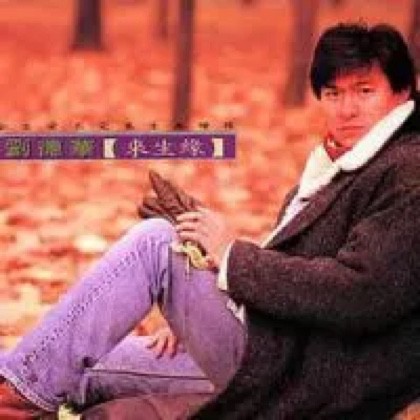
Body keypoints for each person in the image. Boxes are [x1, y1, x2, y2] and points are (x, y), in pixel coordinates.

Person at [1, 21, 420, 419]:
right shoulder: (341, 166)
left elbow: (361, 293)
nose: (347, 108)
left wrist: (232, 258)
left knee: (156, 244)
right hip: (272, 353)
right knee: (69, 361)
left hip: (302, 380)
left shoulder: (408, 170)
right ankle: (18, 393)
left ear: (403, 92)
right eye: (333, 93)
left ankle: (17, 397)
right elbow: (302, 270)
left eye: (365, 91)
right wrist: (200, 306)